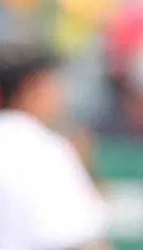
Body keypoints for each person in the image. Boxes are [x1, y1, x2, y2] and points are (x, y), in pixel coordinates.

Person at [0, 42, 109, 250]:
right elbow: (83, 240)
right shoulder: (45, 148)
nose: (62, 95)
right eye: (54, 85)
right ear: (32, 88)